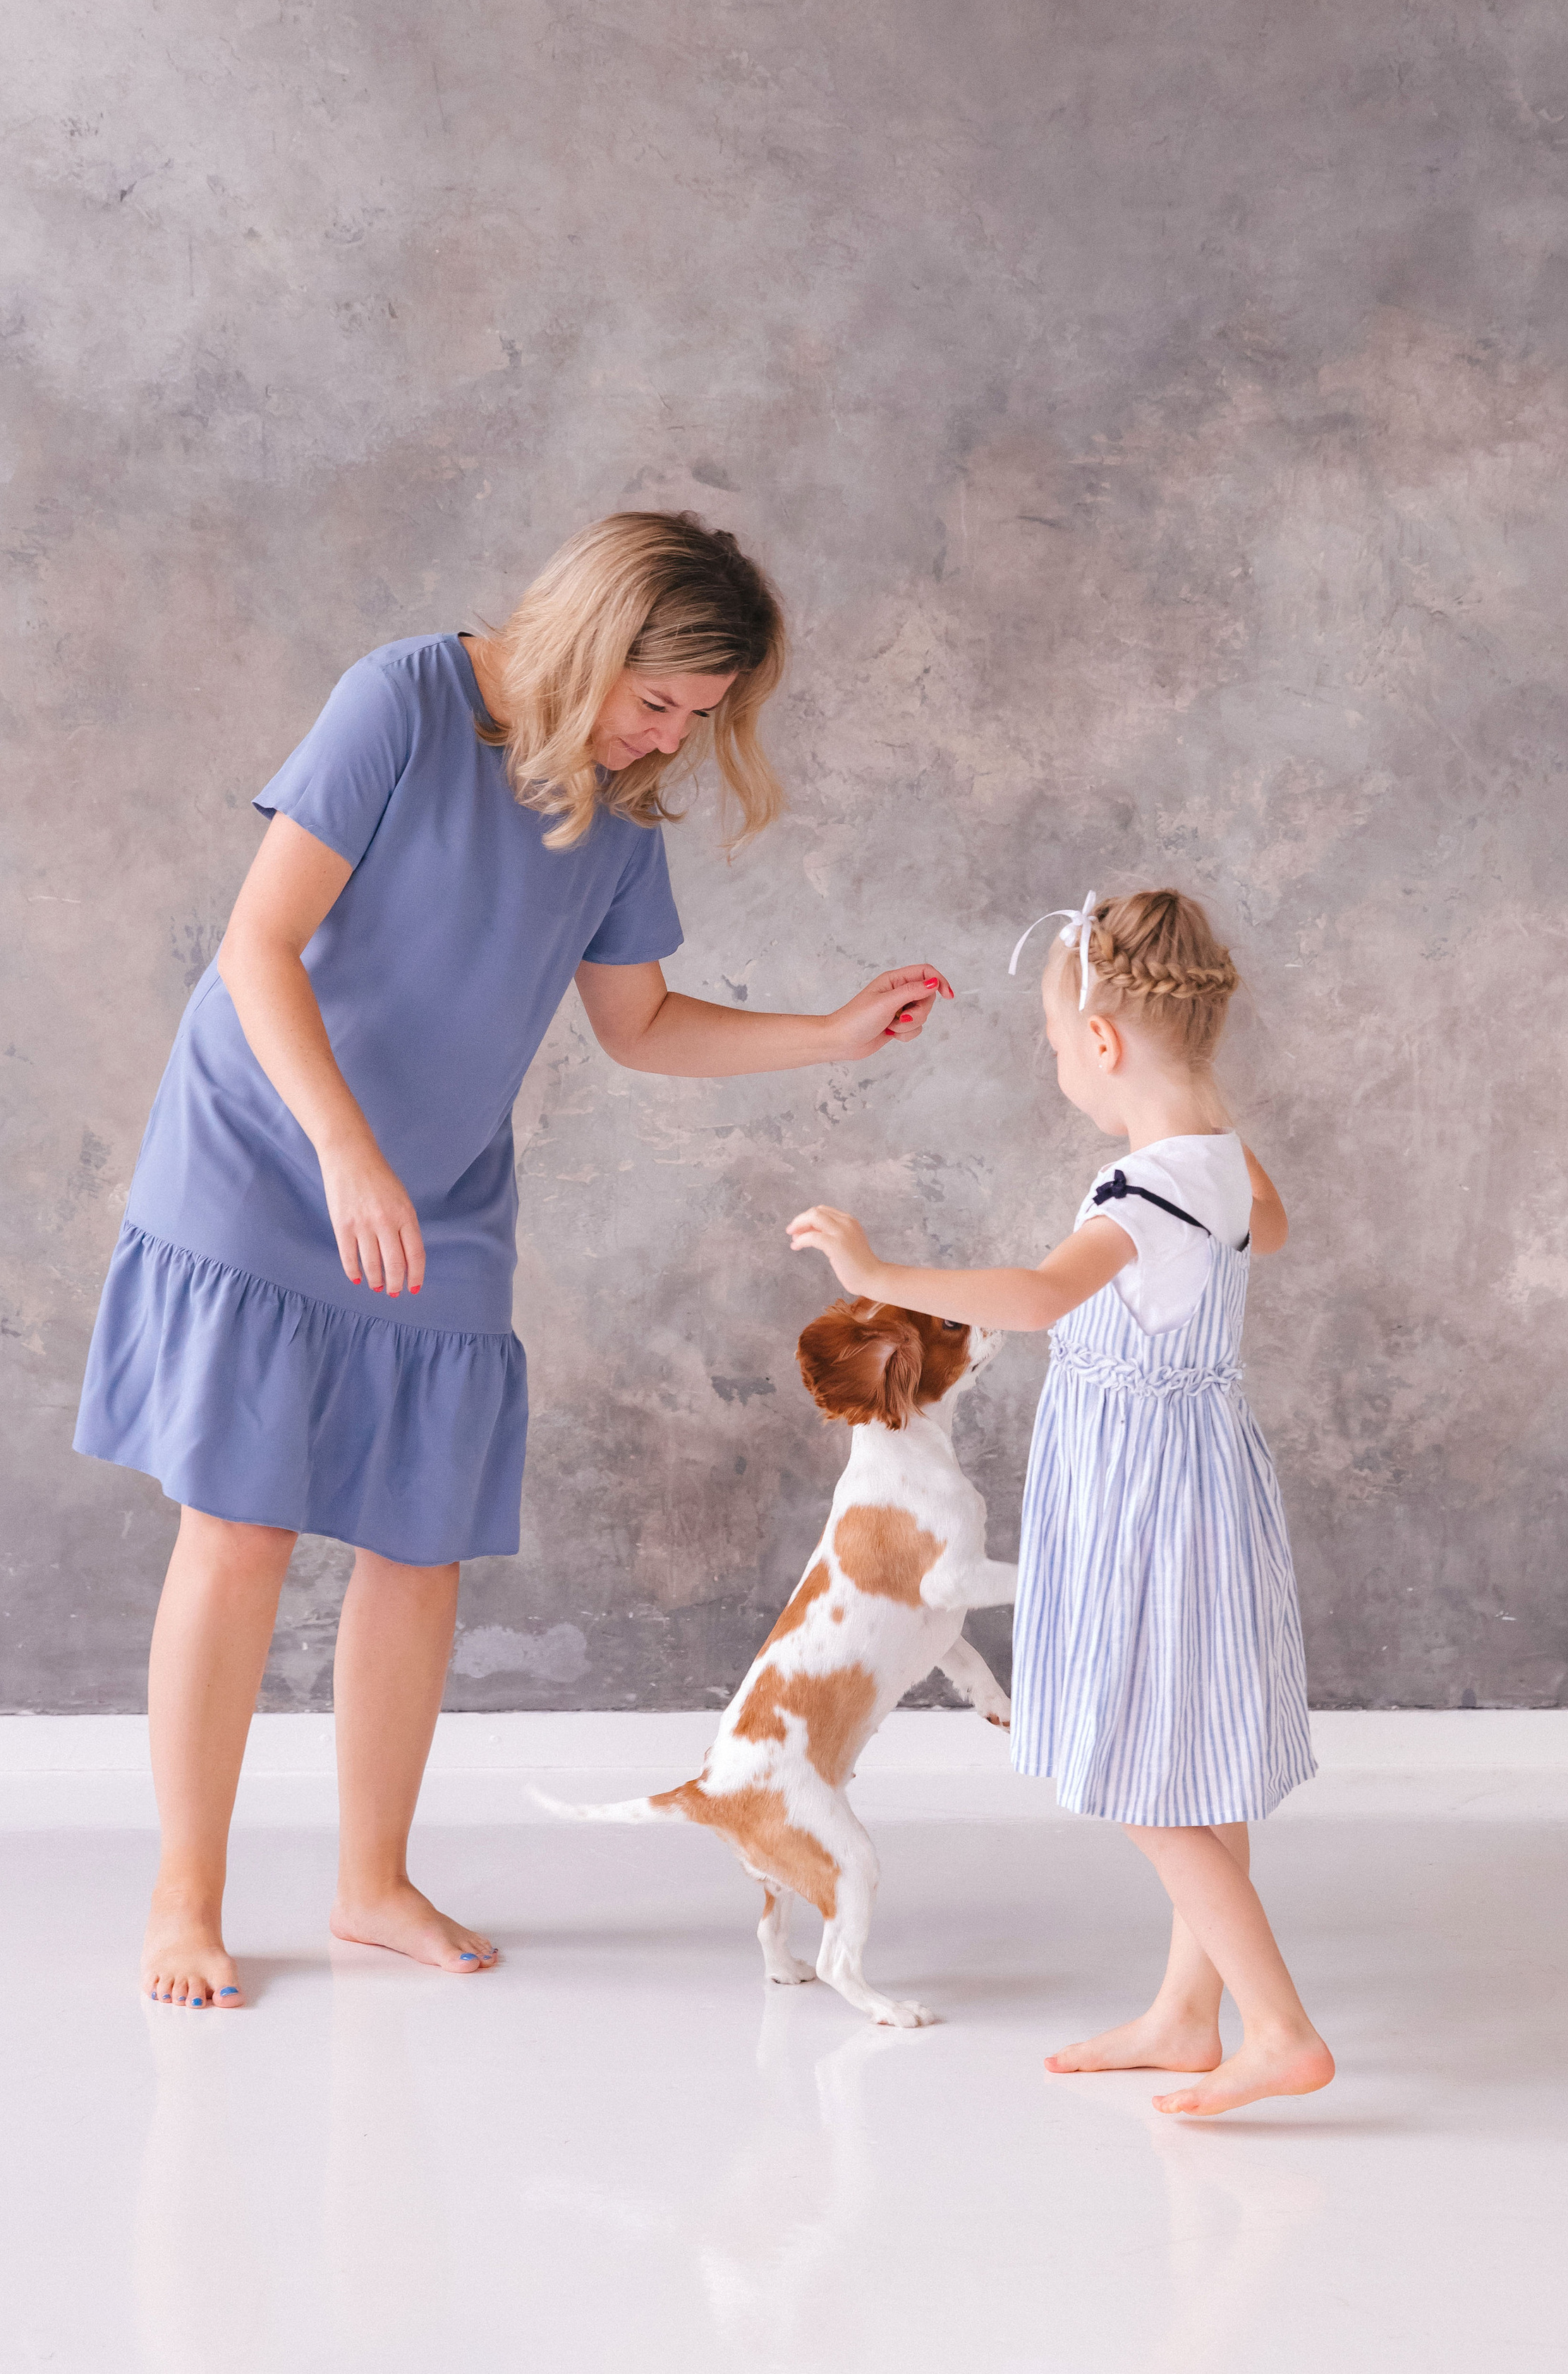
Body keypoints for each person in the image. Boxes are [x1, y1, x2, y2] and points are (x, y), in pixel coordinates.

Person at [75, 511, 952, 2011]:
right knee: (243, 1523)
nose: (663, 735)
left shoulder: (616, 812)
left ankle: (371, 1879)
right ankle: (187, 1891)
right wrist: (346, 1149)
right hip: (265, 1147)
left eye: (697, 714)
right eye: (653, 696)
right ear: (588, 633)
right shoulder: (400, 701)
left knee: (419, 1544)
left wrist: (825, 1029)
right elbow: (257, 945)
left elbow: (640, 1024)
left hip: (442, 1189)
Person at [787, 885, 1330, 2116]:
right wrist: (1205, 1131)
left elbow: (1038, 1297)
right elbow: (1275, 1228)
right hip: (1202, 1478)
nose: (1054, 1062)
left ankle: (1280, 2026)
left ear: (1102, 1044)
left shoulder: (1146, 1193)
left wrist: (875, 1271)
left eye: (1050, 1040)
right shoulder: (1222, 1162)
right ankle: (1193, 2014)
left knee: (1143, 1773)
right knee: (1196, 1761)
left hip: (1144, 1498)